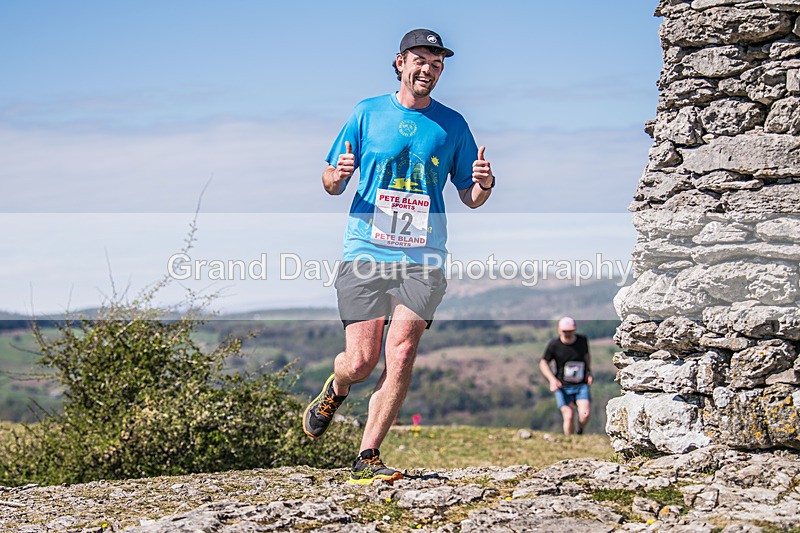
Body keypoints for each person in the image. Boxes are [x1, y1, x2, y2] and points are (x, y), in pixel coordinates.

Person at [302, 28, 495, 485]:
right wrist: (338, 174)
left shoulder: (453, 125)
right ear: (400, 63)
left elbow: (470, 196)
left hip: (423, 254)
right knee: (362, 362)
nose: (428, 68)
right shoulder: (366, 113)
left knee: (403, 351)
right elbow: (330, 183)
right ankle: (339, 385)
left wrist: (484, 183)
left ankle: (368, 455)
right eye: (420, 59)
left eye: (437, 62)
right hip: (366, 249)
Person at [539, 317, 593, 435]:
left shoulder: (582, 341)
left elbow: (586, 356)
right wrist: (552, 380)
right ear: (559, 330)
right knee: (569, 415)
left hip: (581, 385)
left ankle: (579, 432)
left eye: (570, 331)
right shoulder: (554, 345)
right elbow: (543, 363)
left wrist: (589, 372)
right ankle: (569, 442)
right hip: (562, 386)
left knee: (585, 414)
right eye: (565, 331)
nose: (567, 333)